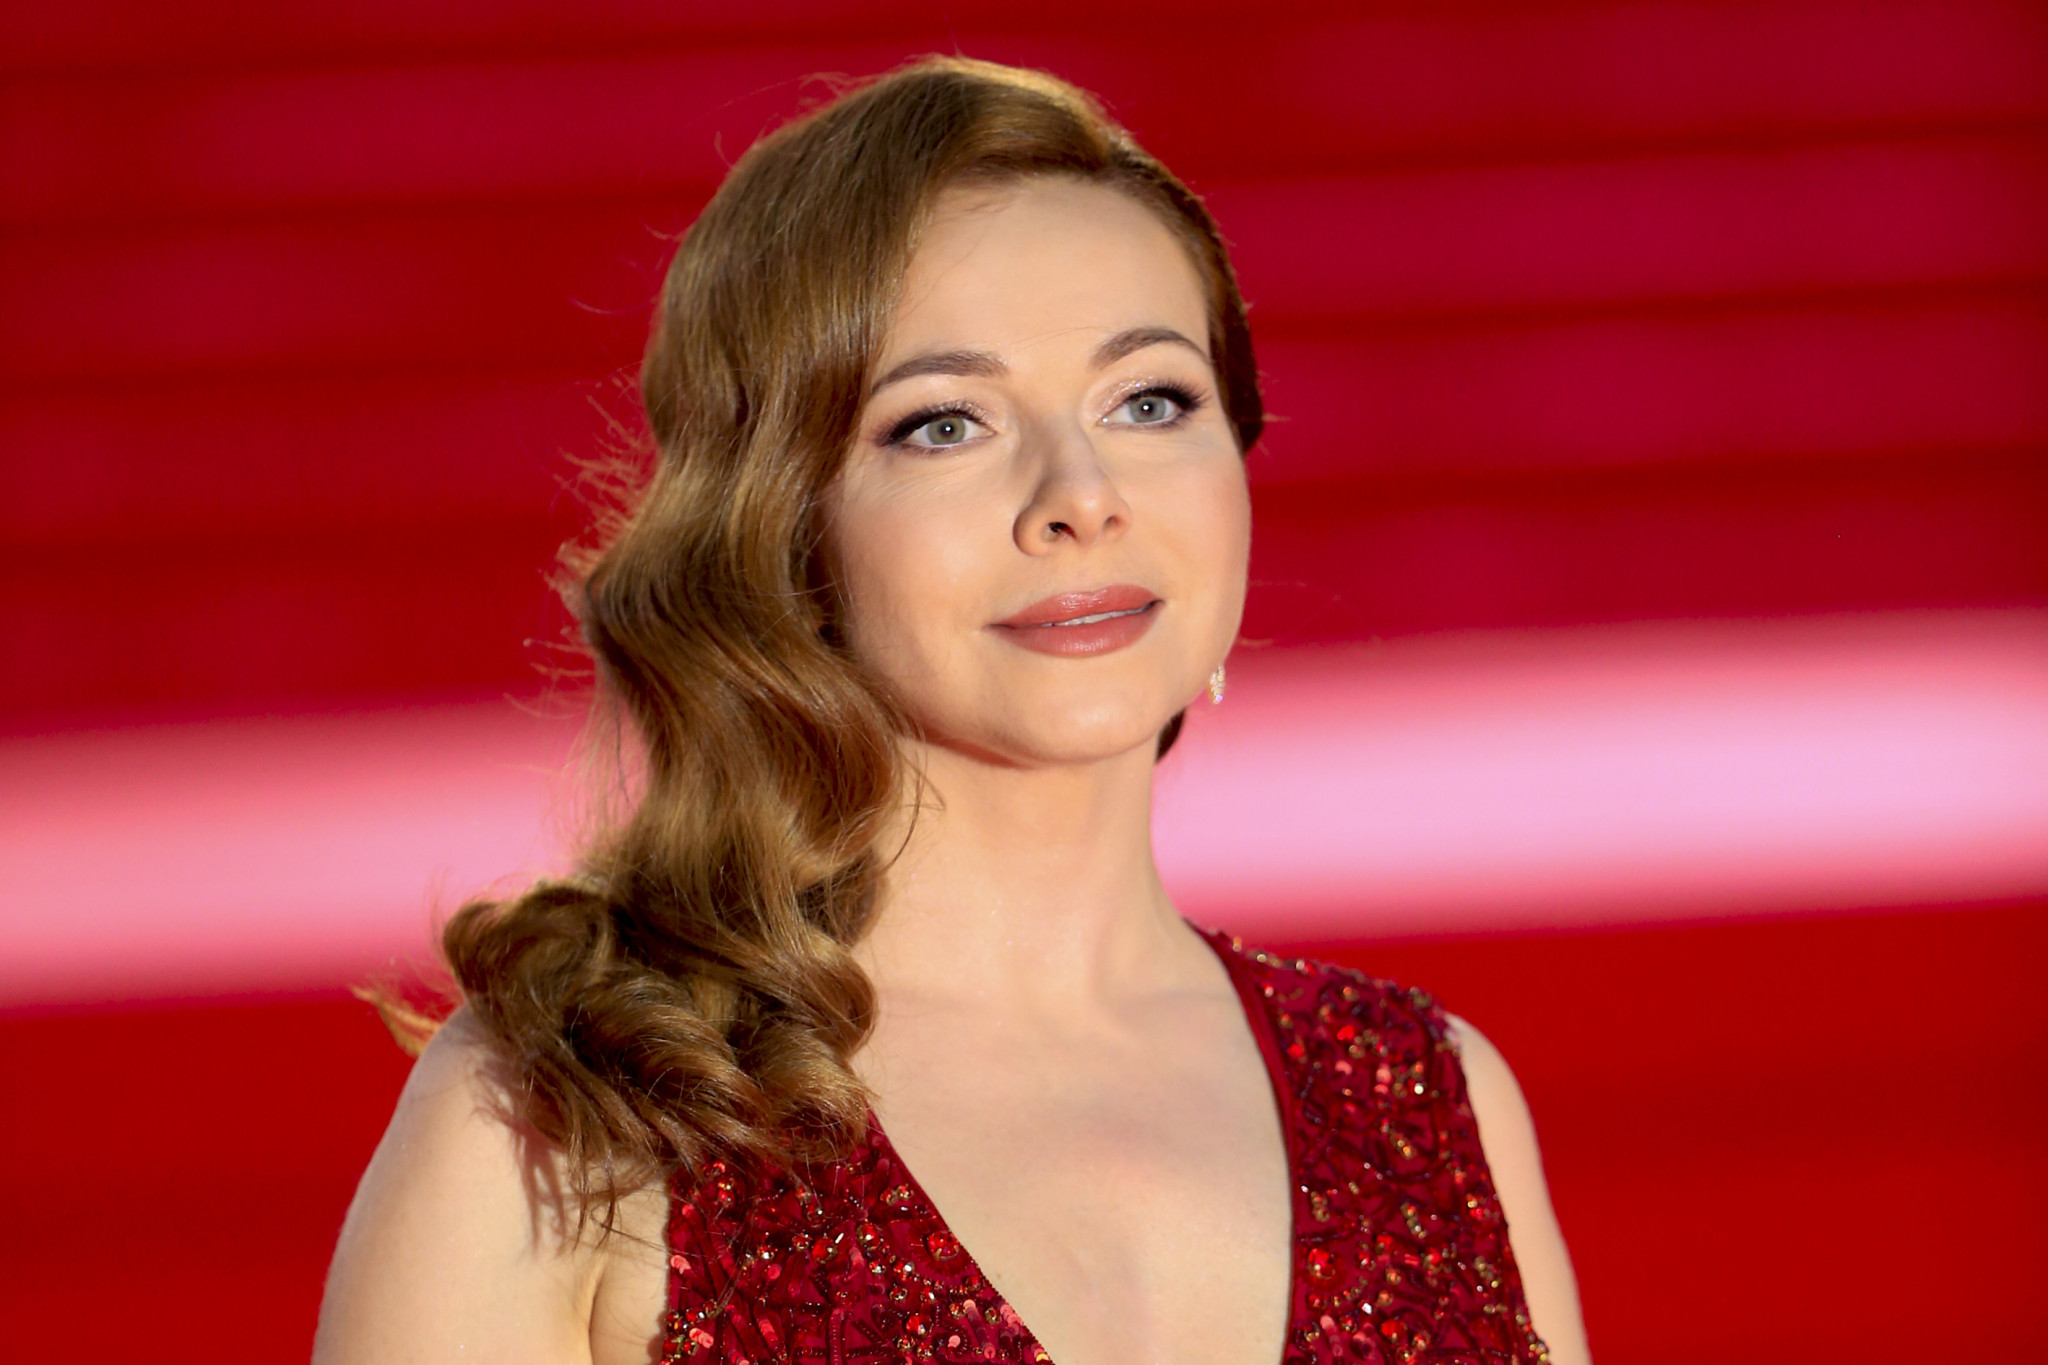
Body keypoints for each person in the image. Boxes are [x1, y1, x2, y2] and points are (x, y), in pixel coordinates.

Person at [314, 56, 1590, 1365]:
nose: (1081, 494)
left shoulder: (1431, 1100)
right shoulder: (564, 1121)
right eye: (944, 424)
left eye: (1150, 399)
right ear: (780, 525)